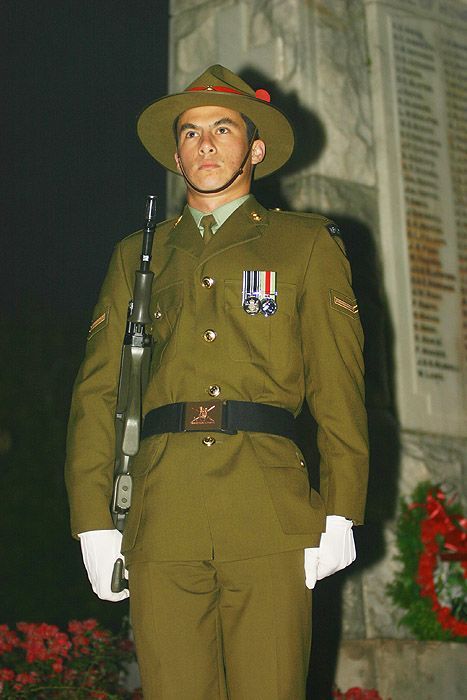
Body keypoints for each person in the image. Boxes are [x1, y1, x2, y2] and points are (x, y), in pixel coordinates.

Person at [65, 64, 368, 699]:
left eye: (223, 129)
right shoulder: (138, 254)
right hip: (161, 511)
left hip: (269, 509)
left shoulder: (304, 244)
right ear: (176, 155)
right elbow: (98, 393)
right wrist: (93, 519)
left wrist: (342, 508)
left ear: (255, 149)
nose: (205, 144)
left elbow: (338, 386)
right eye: (191, 132)